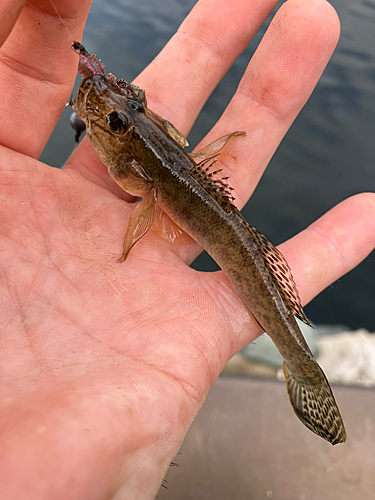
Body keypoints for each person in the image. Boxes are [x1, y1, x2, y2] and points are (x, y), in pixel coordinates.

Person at [0, 0, 374, 498]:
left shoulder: (147, 178)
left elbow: (149, 193)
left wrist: (132, 236)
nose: (103, 107)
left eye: (120, 114)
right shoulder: (156, 151)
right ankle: (302, 365)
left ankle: (301, 366)